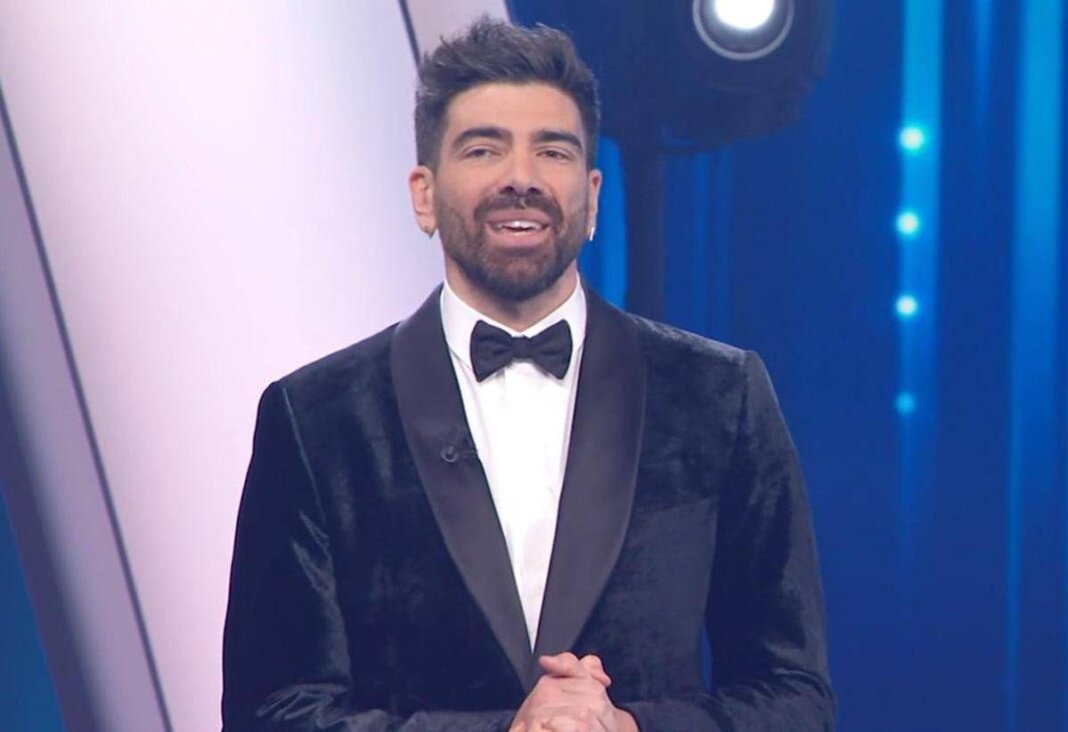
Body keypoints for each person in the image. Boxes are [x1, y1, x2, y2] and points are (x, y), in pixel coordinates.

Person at [222, 17, 834, 732]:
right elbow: (270, 713)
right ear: (424, 195)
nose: (521, 177)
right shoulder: (316, 417)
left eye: (552, 150)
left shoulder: (719, 395)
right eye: (484, 149)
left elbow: (796, 699)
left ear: (593, 196)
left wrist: (629, 727)